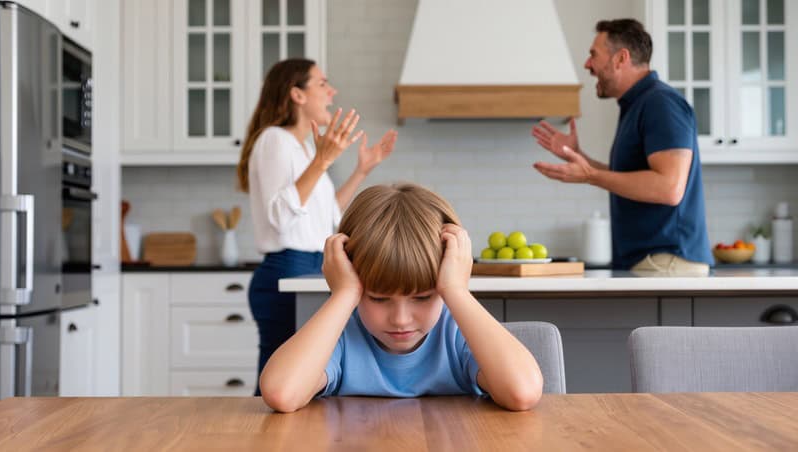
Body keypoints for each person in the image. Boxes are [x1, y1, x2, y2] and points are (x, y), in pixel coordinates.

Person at [259, 183, 544, 412]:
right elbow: (281, 393)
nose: (400, 319)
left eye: (422, 297)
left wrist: (457, 290)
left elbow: (523, 393)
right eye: (379, 299)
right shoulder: (339, 336)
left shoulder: (459, 332)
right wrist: (343, 294)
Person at [236, 58, 397, 396]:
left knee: (303, 371)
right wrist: (323, 160)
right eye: (322, 83)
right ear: (296, 94)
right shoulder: (274, 141)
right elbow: (280, 216)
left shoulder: (304, 148)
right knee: (281, 377)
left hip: (311, 266)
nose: (332, 91)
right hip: (287, 268)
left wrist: (361, 171)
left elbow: (324, 215)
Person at [531, 18, 713, 274]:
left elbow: (669, 188)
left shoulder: (661, 103)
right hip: (656, 262)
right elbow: (634, 179)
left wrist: (590, 175)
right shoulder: (638, 105)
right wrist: (580, 158)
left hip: (668, 262)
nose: (587, 64)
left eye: (593, 54)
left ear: (620, 58)